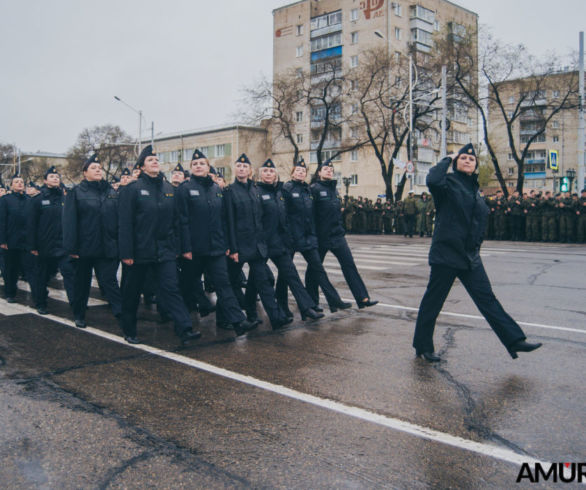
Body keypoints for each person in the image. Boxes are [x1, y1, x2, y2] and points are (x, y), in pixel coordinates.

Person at [413, 144, 542, 362]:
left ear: (476, 166)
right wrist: (447, 157)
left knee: (487, 299)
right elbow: (433, 179)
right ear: (456, 162)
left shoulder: (475, 190)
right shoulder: (448, 184)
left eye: (471, 160)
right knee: (433, 302)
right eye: (463, 158)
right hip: (446, 254)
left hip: (469, 256)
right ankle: (423, 346)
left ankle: (514, 340)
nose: (467, 161)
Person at [118, 145, 201, 345]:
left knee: (171, 289)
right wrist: (126, 252)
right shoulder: (133, 189)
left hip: (165, 251)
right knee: (132, 291)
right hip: (139, 251)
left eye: (156, 159)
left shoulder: (168, 189)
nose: (155, 162)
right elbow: (125, 223)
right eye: (150, 160)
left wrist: (177, 247)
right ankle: (129, 330)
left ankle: (185, 328)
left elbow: (176, 222)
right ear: (142, 167)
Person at [176, 149, 255, 336]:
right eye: (195, 164)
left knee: (224, 284)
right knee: (187, 286)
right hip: (194, 249)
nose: (198, 166)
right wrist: (185, 247)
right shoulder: (185, 189)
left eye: (202, 163)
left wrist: (228, 245)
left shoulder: (216, 190)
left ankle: (238, 322)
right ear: (191, 168)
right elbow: (182, 220)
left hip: (216, 248)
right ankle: (183, 325)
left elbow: (224, 220)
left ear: (208, 167)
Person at [250, 158, 324, 321]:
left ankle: (307, 307)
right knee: (255, 280)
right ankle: (251, 312)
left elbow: (285, 217)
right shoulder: (255, 192)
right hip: (262, 244)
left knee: (292, 275)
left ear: (275, 174)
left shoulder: (280, 192)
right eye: (265, 171)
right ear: (260, 174)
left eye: (271, 171)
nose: (268, 174)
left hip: (279, 243)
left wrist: (287, 238)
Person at [224, 153, 291, 330]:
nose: (242, 169)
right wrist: (232, 248)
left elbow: (260, 219)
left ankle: (276, 318)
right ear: (234, 169)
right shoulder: (230, 191)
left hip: (256, 246)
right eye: (239, 166)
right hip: (239, 246)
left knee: (264, 283)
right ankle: (224, 318)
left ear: (250, 170)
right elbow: (229, 222)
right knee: (228, 282)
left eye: (245, 166)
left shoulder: (255, 190)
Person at [279, 159, 350, 313]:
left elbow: (313, 214)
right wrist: (286, 234)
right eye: (297, 170)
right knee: (285, 275)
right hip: (291, 238)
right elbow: (282, 214)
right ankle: (282, 306)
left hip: (307, 238)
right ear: (292, 173)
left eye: (303, 171)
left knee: (319, 269)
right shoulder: (286, 189)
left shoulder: (308, 190)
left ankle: (334, 300)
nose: (300, 173)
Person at [309, 160, 377, 309]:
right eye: (325, 169)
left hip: (337, 236)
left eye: (331, 169)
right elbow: (310, 215)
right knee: (314, 270)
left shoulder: (334, 190)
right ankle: (312, 304)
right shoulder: (313, 189)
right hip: (321, 237)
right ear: (319, 173)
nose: (329, 171)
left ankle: (363, 298)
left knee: (349, 265)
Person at [63, 154, 122, 328]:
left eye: (99, 168)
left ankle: (121, 313)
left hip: (107, 246)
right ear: (85, 173)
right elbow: (69, 222)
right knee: (82, 283)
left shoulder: (111, 191)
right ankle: (79, 314)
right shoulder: (76, 192)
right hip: (84, 248)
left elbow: (118, 219)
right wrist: (71, 247)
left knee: (109, 281)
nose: (98, 170)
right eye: (93, 168)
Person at [26, 166, 75, 314]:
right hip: (44, 246)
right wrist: (32, 246)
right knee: (42, 276)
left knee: (70, 275)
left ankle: (76, 304)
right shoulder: (38, 200)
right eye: (52, 177)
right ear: (45, 181)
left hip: (63, 245)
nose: (55, 179)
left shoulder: (66, 199)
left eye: (57, 177)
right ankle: (40, 302)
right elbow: (31, 224)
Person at [0, 173, 32, 302]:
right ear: (11, 185)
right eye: (17, 182)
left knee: (29, 268)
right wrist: (2, 240)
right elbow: (2, 221)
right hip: (11, 240)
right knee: (10, 269)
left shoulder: (29, 200)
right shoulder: (6, 200)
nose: (20, 184)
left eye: (22, 182)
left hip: (26, 241)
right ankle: (10, 293)